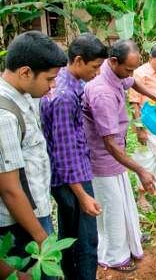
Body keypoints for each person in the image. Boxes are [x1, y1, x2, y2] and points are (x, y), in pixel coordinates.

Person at [82, 39, 156, 272]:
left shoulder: (116, 74)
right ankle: (114, 256)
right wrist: (140, 169)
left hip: (116, 155)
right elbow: (108, 143)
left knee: (123, 201)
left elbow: (132, 82)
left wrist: (154, 96)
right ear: (113, 61)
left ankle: (131, 242)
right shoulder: (101, 92)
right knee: (111, 209)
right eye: (127, 68)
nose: (129, 73)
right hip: (103, 158)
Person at [40, 33, 107, 280]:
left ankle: (70, 275)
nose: (98, 73)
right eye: (95, 67)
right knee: (86, 242)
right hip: (73, 180)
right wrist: (83, 196)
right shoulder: (65, 96)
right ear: (78, 61)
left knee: (68, 237)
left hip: (68, 178)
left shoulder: (65, 84)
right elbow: (65, 153)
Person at [0, 31, 66, 259]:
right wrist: (42, 238)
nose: (53, 85)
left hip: (35, 208)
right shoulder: (4, 117)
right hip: (19, 223)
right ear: (25, 72)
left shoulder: (25, 95)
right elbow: (9, 189)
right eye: (49, 79)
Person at [129, 44, 156, 212]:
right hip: (147, 127)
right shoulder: (140, 74)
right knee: (145, 160)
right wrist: (140, 129)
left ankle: (151, 189)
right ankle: (141, 197)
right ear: (150, 59)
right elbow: (134, 104)